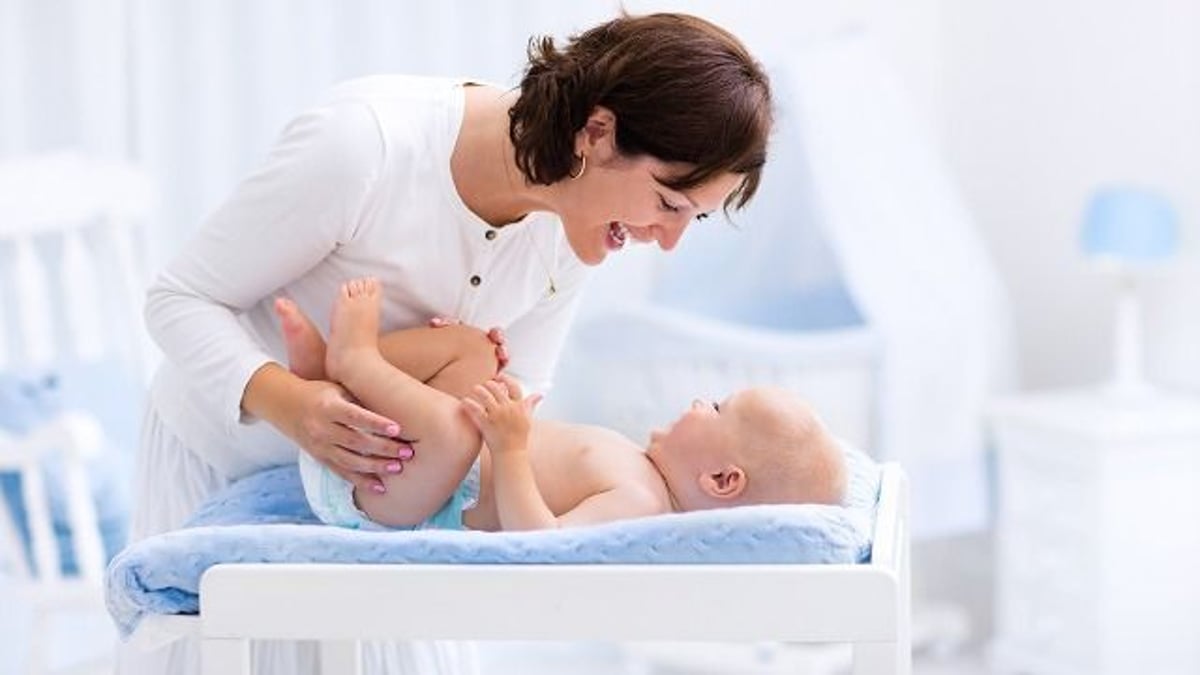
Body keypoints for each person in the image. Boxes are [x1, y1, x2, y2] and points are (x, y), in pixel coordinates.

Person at [122, 10, 773, 675]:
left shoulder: (573, 227)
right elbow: (178, 299)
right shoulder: (365, 148)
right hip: (229, 458)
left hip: (395, 508)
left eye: (693, 219)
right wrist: (293, 403)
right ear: (598, 132)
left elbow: (513, 399)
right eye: (668, 203)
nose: (668, 240)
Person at [280, 279, 846, 531]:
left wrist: (511, 448)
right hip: (405, 460)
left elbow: (542, 541)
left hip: (401, 497)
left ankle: (357, 361)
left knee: (454, 432)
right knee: (475, 352)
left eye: (718, 409)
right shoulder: (639, 470)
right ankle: (331, 377)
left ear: (722, 480)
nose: (701, 402)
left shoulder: (642, 503)